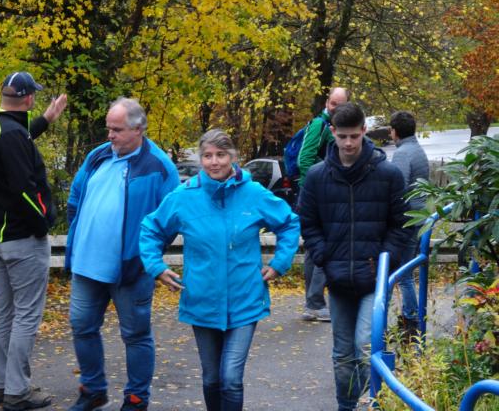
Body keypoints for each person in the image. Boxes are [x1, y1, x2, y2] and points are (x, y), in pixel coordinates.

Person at [139, 129, 301, 411]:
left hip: (245, 298)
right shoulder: (184, 197)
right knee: (212, 378)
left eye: (221, 155)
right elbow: (151, 229)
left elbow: (288, 223)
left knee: (231, 379)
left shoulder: (253, 194)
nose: (214, 162)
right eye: (208, 156)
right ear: (201, 159)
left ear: (233, 157)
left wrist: (279, 263)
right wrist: (156, 267)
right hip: (201, 300)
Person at [65, 97, 180, 411]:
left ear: (138, 129)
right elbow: (75, 196)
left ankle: (136, 399)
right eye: (108, 128)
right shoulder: (98, 155)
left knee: (136, 335)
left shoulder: (159, 167)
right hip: (86, 265)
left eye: (117, 130)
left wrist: (146, 256)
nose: (110, 135)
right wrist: (78, 231)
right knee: (82, 327)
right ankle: (93, 390)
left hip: (130, 269)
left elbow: (170, 220)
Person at [298, 103, 409, 411]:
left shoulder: (387, 174)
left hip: (373, 277)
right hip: (338, 278)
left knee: (365, 344)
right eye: (342, 136)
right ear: (332, 132)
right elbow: (308, 222)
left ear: (364, 131)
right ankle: (346, 405)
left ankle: (372, 399)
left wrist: (385, 260)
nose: (348, 143)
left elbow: (401, 224)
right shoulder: (318, 177)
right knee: (343, 352)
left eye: (354, 136)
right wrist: (323, 255)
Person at [0, 71, 67, 411]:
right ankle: (17, 391)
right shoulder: (12, 135)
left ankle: (1, 385)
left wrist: (45, 120)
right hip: (21, 238)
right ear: (28, 98)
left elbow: (15, 139)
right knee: (26, 315)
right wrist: (43, 224)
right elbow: (24, 189)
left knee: (2, 310)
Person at [298, 87, 350, 322]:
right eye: (332, 103)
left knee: (314, 249)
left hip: (319, 194)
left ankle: (313, 303)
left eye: (340, 104)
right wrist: (324, 185)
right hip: (318, 196)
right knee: (324, 245)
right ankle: (315, 303)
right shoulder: (320, 125)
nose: (335, 107)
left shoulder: (336, 126)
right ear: (327, 103)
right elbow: (304, 160)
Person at [389, 111, 429, 339]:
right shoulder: (418, 150)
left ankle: (410, 318)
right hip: (420, 217)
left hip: (407, 220)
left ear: (394, 131)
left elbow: (398, 187)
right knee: (407, 272)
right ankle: (410, 316)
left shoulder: (402, 154)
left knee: (403, 274)